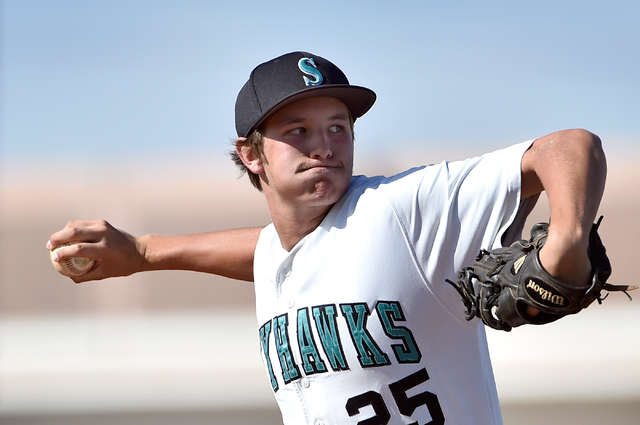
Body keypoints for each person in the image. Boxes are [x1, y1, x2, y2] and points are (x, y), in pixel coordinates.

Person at [48, 51, 607, 425]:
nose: (325, 146)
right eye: (299, 132)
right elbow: (273, 250)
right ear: (252, 154)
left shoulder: (400, 208)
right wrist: (145, 253)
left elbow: (570, 147)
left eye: (338, 127)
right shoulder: (280, 254)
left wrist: (566, 242)